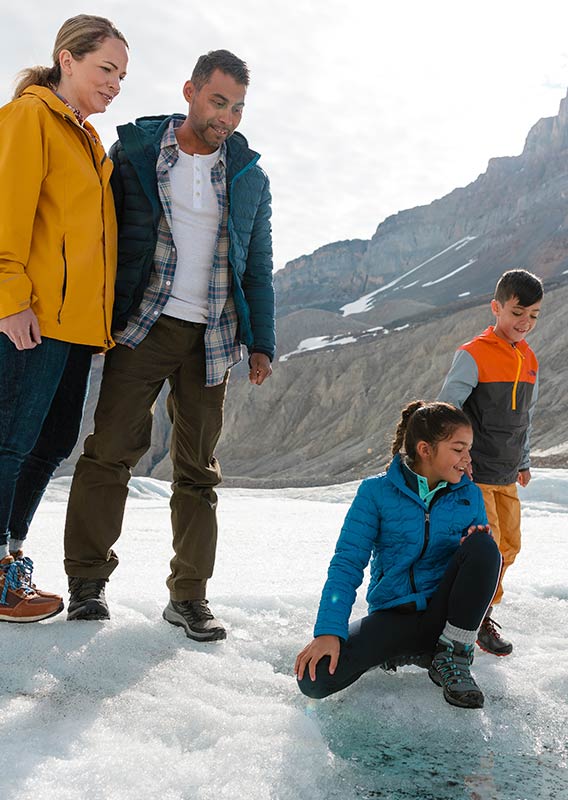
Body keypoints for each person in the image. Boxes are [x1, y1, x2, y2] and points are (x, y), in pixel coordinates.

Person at [63, 50, 275, 641]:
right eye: (217, 101)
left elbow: (257, 263)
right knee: (110, 452)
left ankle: (188, 598)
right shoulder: (135, 154)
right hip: (142, 327)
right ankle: (87, 585)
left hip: (212, 339)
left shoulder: (249, 175)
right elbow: (97, 236)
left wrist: (262, 342)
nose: (226, 117)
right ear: (190, 90)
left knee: (198, 473)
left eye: (236, 107)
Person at [0, 15, 128, 623]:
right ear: (67, 59)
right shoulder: (31, 118)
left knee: (49, 444)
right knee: (9, 442)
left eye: (122, 76)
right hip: (34, 318)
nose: (115, 84)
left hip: (75, 329)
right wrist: (10, 298)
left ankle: (10, 557)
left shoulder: (87, 141)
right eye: (106, 68)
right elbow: (6, 215)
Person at [295, 401, 502, 709]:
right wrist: (328, 631)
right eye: (458, 449)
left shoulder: (468, 494)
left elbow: (478, 566)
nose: (467, 459)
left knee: (485, 546)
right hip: (393, 617)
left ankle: (453, 656)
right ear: (425, 449)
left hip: (444, 618)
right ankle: (404, 653)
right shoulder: (375, 493)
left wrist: (473, 542)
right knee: (315, 679)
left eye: (468, 450)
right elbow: (347, 564)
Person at [438, 269, 542, 657]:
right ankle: (473, 617)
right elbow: (449, 410)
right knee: (490, 548)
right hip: (475, 472)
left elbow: (524, 419)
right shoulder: (473, 354)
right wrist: (454, 458)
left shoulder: (529, 359)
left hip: (507, 473)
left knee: (510, 547)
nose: (525, 323)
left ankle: (482, 608)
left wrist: (525, 459)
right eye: (518, 312)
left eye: (533, 315)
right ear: (496, 307)